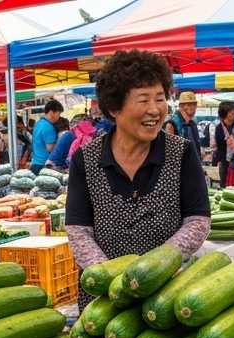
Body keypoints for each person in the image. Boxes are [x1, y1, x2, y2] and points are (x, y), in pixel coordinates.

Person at [65, 49, 212, 311]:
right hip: (103, 301)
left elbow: (197, 221)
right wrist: (110, 279)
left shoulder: (182, 153)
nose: (154, 110)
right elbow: (79, 231)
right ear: (114, 107)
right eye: (143, 100)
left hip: (164, 296)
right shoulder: (85, 159)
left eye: (160, 99)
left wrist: (156, 266)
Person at [31, 100, 63, 175]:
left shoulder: (39, 123)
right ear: (51, 112)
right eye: (58, 114)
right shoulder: (48, 127)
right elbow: (50, 148)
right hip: (43, 165)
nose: (58, 117)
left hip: (35, 163)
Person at [211, 102, 234, 188]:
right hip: (225, 161)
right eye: (231, 113)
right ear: (224, 115)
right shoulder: (219, 128)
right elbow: (220, 148)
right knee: (225, 183)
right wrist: (219, 162)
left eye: (233, 112)